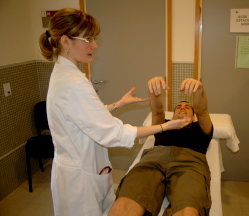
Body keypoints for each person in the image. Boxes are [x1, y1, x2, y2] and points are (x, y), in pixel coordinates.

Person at [39, 8, 191, 216]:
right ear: (66, 41)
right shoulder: (74, 83)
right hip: (81, 180)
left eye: (94, 38)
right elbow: (114, 134)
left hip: (79, 170)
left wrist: (117, 105)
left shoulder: (64, 74)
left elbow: (82, 116)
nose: (95, 45)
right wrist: (165, 125)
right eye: (88, 39)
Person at [108, 77, 213, 216]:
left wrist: (199, 89)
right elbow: (157, 111)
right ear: (173, 115)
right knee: (126, 202)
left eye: (187, 107)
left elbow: (202, 111)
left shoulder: (200, 128)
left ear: (193, 116)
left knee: (188, 209)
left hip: (189, 164)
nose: (182, 108)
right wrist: (154, 91)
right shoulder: (163, 125)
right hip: (154, 160)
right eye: (179, 107)